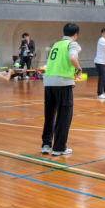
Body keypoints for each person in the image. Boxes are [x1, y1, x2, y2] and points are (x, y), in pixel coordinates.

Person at [41, 23, 82, 156]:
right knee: (64, 116)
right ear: (75, 35)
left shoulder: (56, 44)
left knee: (49, 114)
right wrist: (79, 69)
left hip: (48, 82)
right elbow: (72, 58)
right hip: (63, 82)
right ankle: (59, 148)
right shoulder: (72, 44)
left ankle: (46, 145)